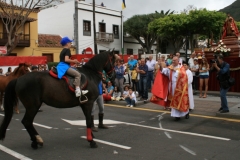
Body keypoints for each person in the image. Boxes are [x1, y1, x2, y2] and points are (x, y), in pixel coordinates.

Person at [160, 56, 190, 120]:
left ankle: (186, 112)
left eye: (174, 60)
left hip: (179, 87)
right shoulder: (170, 67)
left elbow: (183, 75)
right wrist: (160, 65)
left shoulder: (181, 67)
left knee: (180, 100)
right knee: (174, 100)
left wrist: (175, 71)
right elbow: (164, 71)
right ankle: (177, 115)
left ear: (178, 61)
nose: (173, 62)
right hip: (172, 85)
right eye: (172, 60)